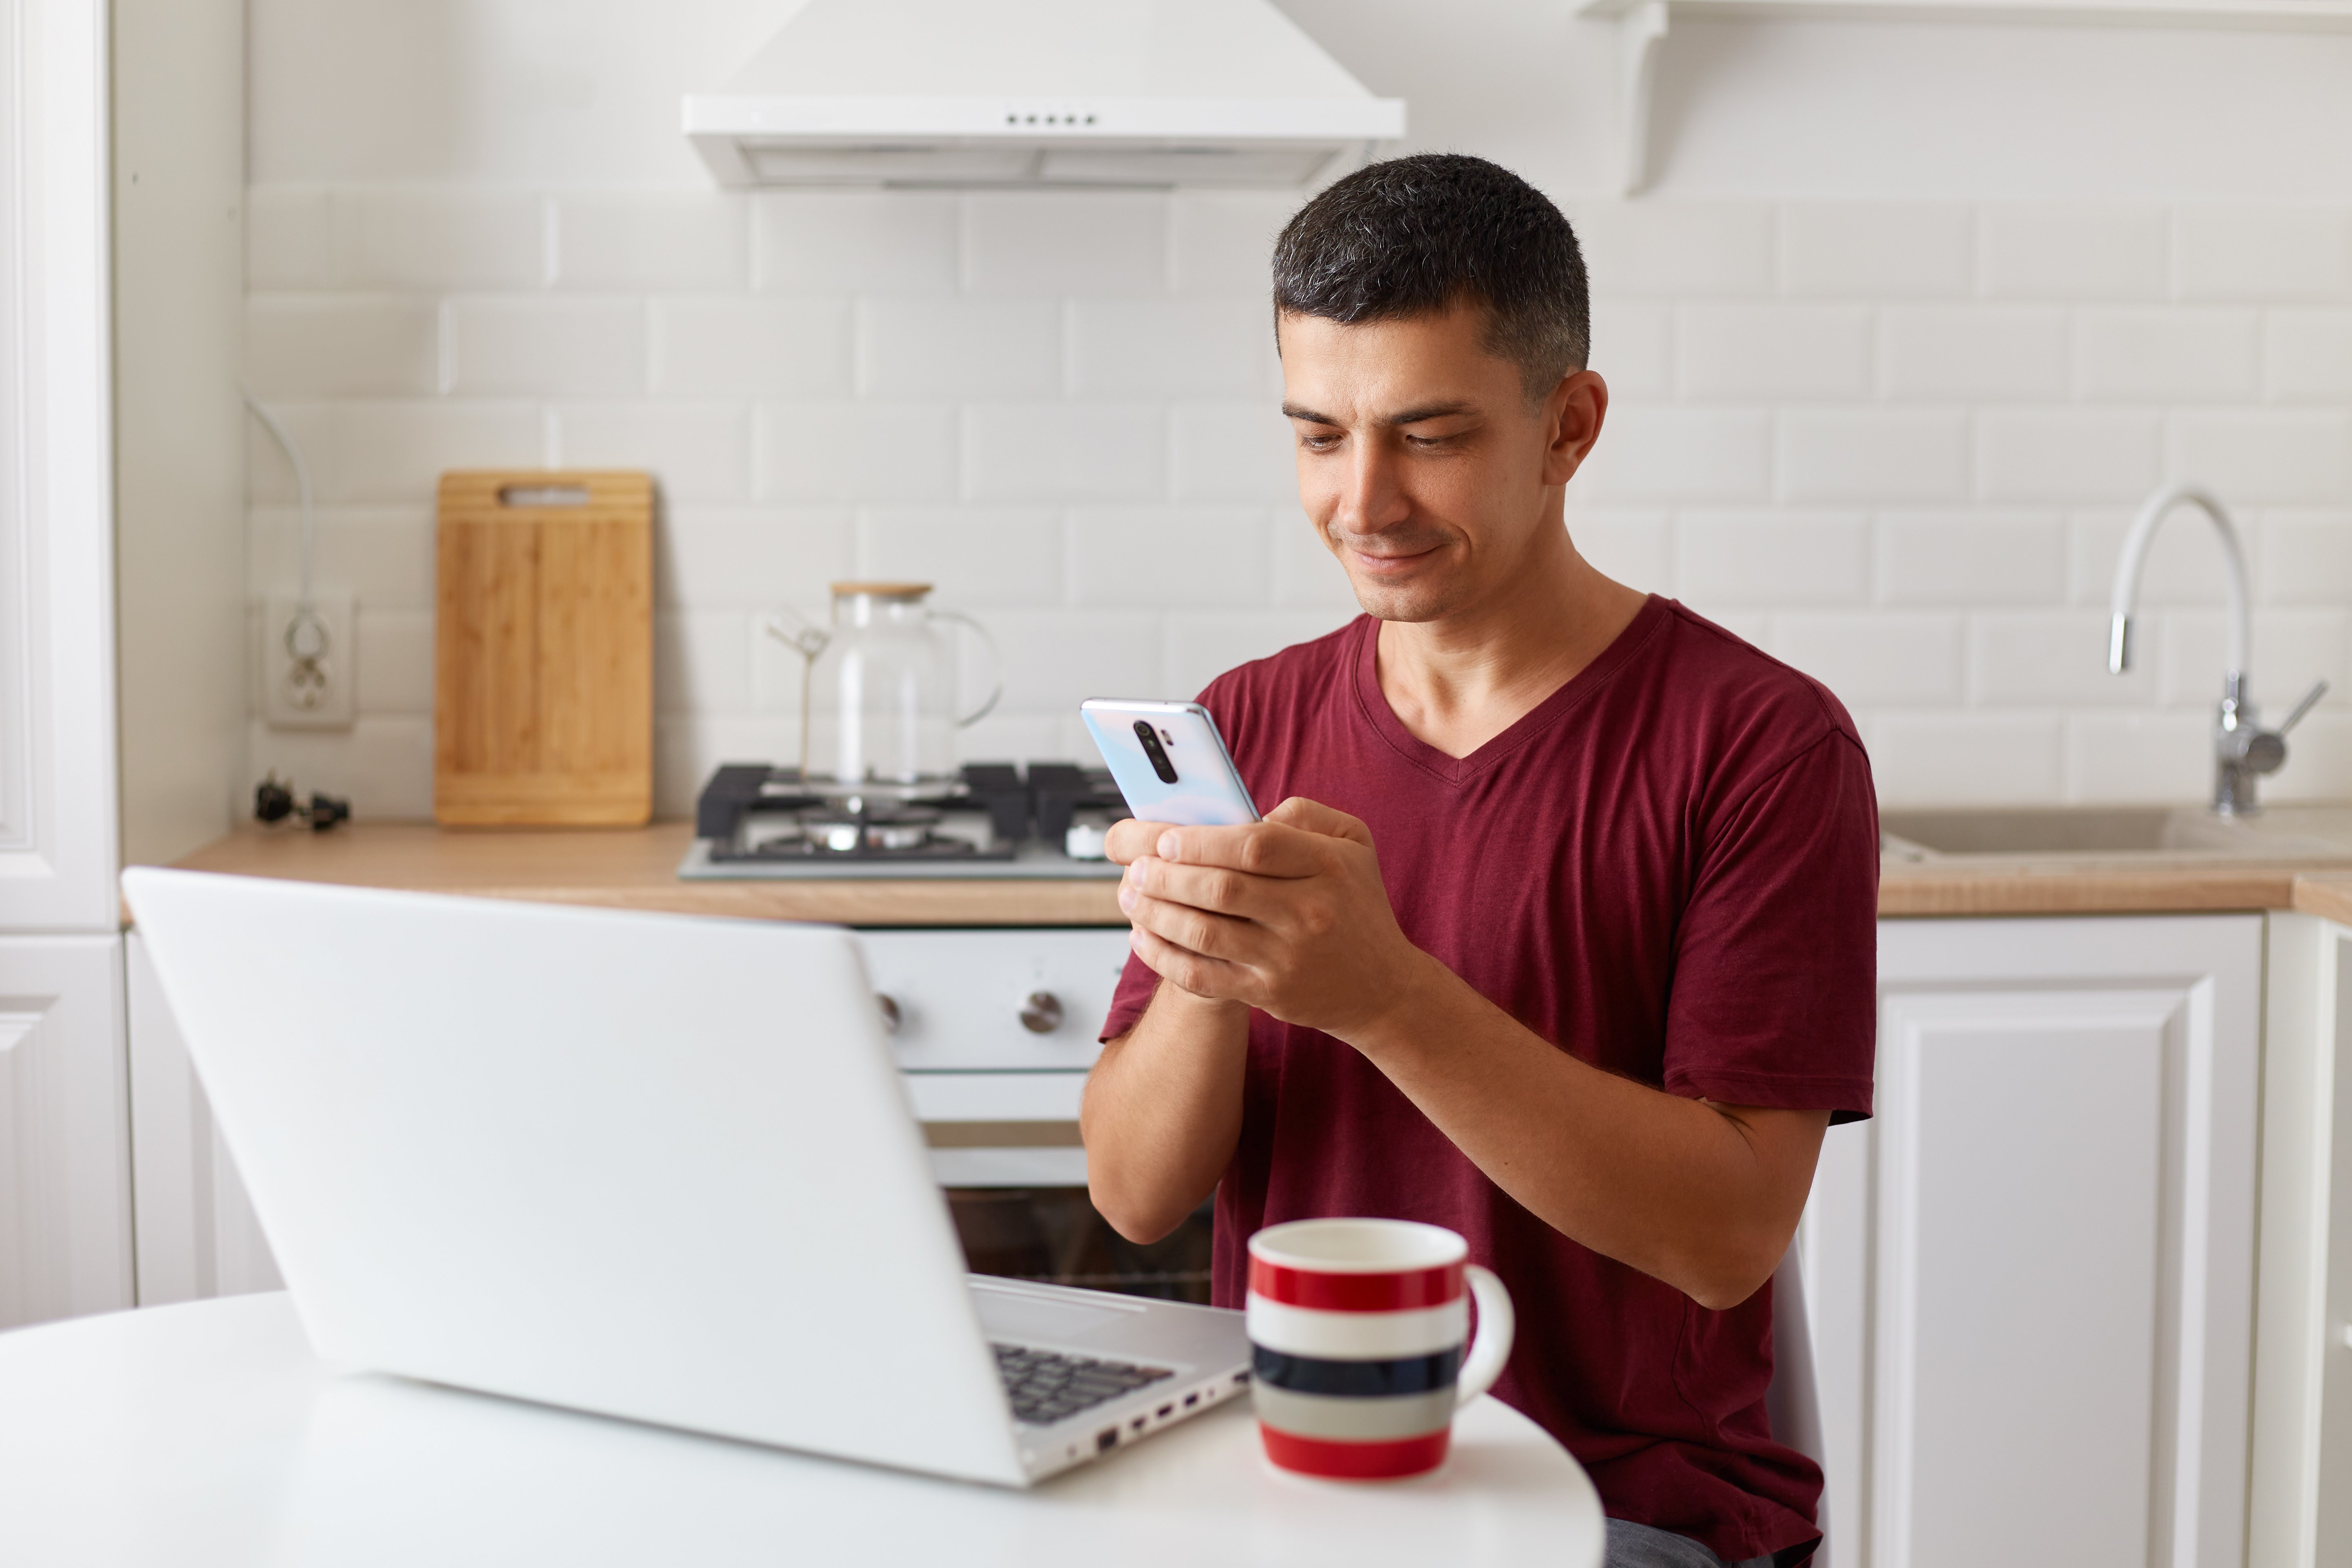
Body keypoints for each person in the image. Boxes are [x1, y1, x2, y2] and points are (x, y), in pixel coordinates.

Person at [1080, 154, 1878, 1568]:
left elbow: (1728, 1237)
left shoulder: (1762, 745)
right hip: (1291, 1492)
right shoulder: (1251, 721)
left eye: (1430, 436)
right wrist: (1210, 964)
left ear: (1569, 426)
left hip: (1619, 1511)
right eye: (1319, 436)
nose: (1363, 502)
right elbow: (1138, 1197)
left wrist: (1383, 997)